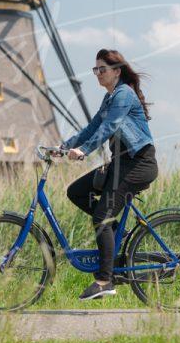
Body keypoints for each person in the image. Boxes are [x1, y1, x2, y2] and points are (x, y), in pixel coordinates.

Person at [60, 49, 158, 301]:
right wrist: (63, 146)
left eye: (102, 69)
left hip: (137, 164)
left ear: (117, 71)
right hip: (119, 164)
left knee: (101, 216)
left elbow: (109, 127)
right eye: (96, 70)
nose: (98, 74)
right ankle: (117, 232)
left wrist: (83, 150)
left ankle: (105, 281)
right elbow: (93, 126)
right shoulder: (111, 97)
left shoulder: (123, 94)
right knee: (76, 192)